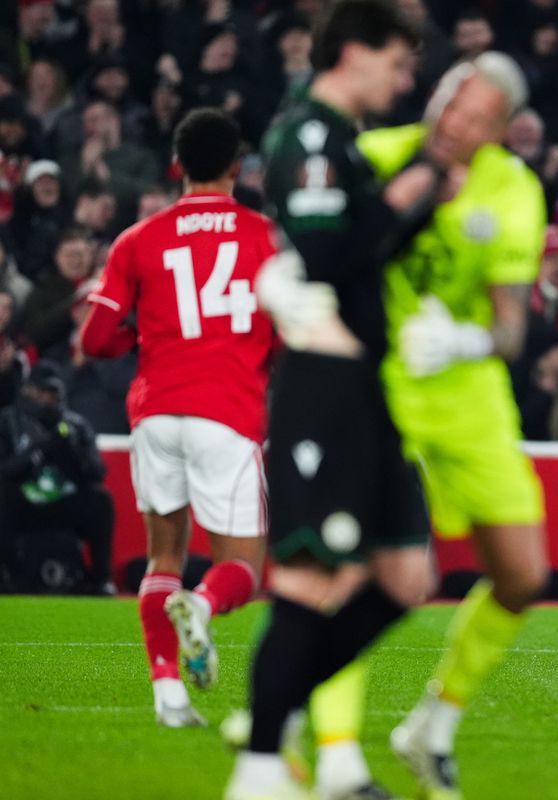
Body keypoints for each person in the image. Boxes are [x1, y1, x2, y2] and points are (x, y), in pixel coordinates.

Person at [226, 3, 440, 799]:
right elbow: (321, 255)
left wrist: (419, 200)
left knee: (405, 575)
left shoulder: (342, 140)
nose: (404, 80)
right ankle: (259, 769)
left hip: (365, 388)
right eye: (397, 62)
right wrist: (408, 188)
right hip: (322, 385)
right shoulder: (309, 136)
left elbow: (360, 251)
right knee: (313, 579)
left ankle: (271, 712)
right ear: (353, 51)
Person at [353, 52, 548, 800]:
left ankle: (431, 728)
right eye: (449, 101)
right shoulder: (377, 153)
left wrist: (464, 340)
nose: (454, 121)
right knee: (353, 572)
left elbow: (511, 330)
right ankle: (333, 756)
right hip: (376, 387)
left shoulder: (513, 189)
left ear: (499, 129)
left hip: (468, 395)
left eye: (475, 116)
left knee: (523, 574)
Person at [78, 108, 272, 727]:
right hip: (227, 410)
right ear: (237, 167)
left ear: (176, 165)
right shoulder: (266, 237)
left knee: (163, 556)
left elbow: (95, 338)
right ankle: (203, 605)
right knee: (240, 568)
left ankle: (169, 696)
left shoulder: (138, 239)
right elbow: (288, 330)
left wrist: (143, 338)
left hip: (157, 411)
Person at [0, 361, 113, 594]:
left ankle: (100, 579)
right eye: (44, 392)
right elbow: (4, 470)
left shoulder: (76, 425)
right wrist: (37, 451)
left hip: (63, 500)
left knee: (100, 500)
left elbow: (97, 472)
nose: (50, 399)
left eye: (54, 393)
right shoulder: (8, 421)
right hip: (25, 500)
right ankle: (9, 576)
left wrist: (73, 452)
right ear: (29, 391)